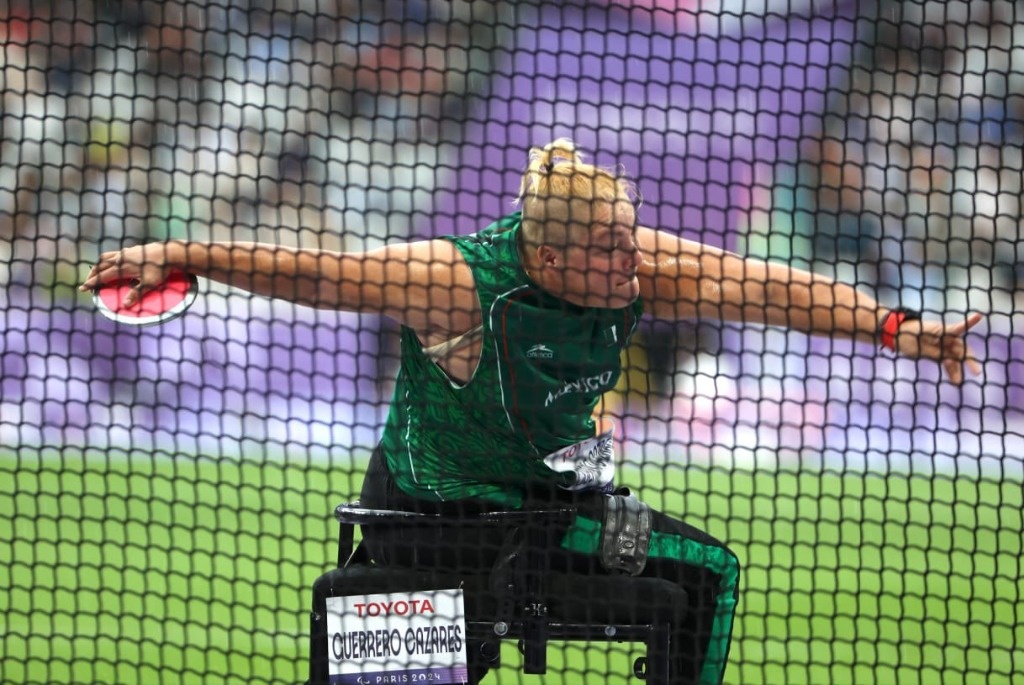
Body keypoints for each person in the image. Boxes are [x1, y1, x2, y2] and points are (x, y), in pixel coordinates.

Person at [80, 139, 983, 684]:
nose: (633, 261)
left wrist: (897, 327)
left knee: (705, 575)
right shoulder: (461, 282)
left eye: (630, 235)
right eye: (607, 248)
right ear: (546, 260)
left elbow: (765, 286)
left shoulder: (633, 266)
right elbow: (322, 275)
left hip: (549, 516)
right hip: (427, 529)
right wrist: (178, 252)